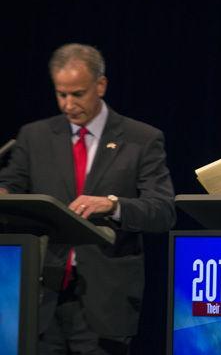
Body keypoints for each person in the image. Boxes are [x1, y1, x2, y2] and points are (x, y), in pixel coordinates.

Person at [0, 43, 176, 354]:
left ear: (101, 85)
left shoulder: (141, 139)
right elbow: (10, 188)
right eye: (61, 94)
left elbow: (162, 211)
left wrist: (114, 204)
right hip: (40, 296)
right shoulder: (33, 136)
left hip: (105, 302)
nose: (68, 105)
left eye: (77, 94)